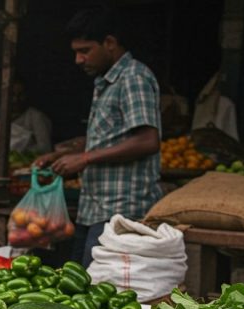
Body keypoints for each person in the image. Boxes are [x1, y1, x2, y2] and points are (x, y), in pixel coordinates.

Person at [33, 6, 161, 268]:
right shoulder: (105, 83)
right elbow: (109, 137)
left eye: (85, 50)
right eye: (76, 52)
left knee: (97, 289)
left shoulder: (133, 78)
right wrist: (63, 154)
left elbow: (148, 140)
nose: (79, 60)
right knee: (79, 283)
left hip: (120, 211)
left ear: (110, 43)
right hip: (94, 208)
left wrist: (86, 158)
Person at [11, 79, 53, 153]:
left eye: (20, 95)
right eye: (12, 95)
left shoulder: (36, 117)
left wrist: (20, 153)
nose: (16, 99)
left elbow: (45, 147)